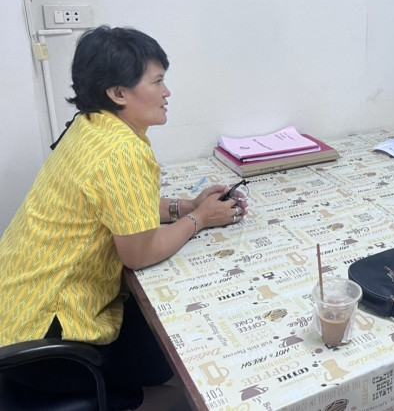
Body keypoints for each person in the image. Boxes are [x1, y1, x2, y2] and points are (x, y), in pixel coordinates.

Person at [0, 26, 248, 401]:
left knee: (159, 347)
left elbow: (119, 208)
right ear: (118, 93)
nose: (167, 93)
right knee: (179, 368)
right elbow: (139, 253)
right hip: (46, 343)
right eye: (158, 81)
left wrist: (187, 205)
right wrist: (200, 220)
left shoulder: (88, 126)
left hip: (15, 311)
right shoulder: (122, 151)